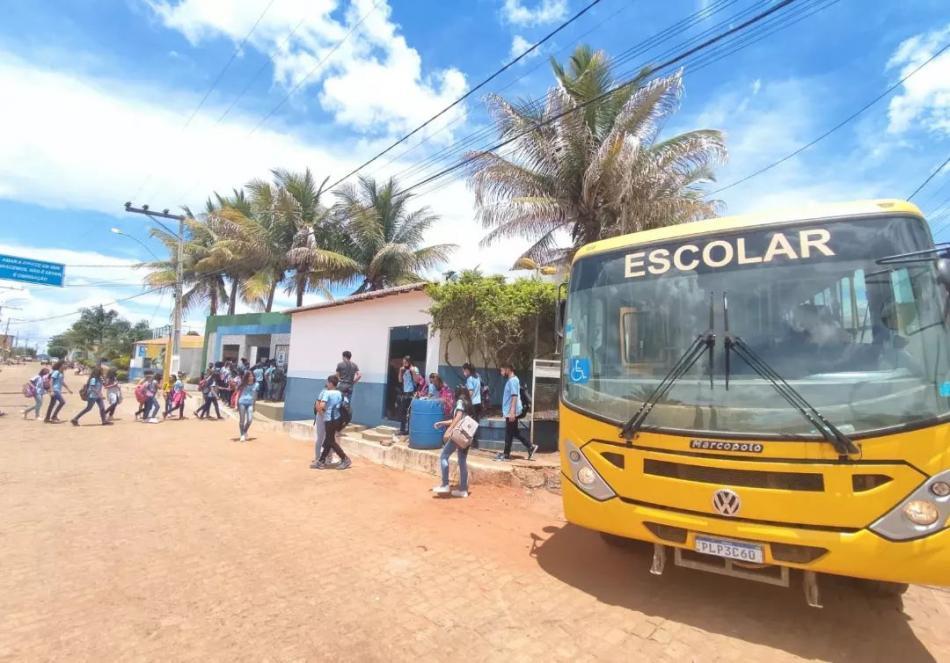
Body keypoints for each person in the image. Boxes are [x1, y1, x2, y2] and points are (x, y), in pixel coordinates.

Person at [432, 385, 474, 498]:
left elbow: (458, 417)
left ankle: (445, 484)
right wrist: (442, 423)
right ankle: (463, 490)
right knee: (462, 461)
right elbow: (458, 418)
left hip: (458, 435)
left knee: (444, 456)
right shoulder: (468, 403)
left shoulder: (460, 401)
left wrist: (449, 430)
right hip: (467, 436)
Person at [496, 363, 537, 461]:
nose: (501, 373)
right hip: (510, 411)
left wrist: (512, 412)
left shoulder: (513, 381)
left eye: (502, 370)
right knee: (513, 432)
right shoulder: (512, 380)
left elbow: (514, 396)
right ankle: (530, 447)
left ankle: (506, 454)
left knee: (509, 432)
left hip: (512, 411)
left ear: (508, 369)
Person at [313, 375, 351, 470]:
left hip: (329, 419)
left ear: (330, 383)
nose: (327, 384)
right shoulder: (339, 393)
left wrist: (325, 412)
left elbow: (321, 406)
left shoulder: (327, 393)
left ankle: (345, 458)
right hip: (337, 419)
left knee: (330, 441)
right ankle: (321, 460)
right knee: (328, 440)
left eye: (327, 382)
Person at [396, 356, 419, 436]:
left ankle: (409, 430)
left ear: (409, 362)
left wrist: (412, 372)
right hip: (405, 393)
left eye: (405, 362)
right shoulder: (403, 370)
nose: (404, 364)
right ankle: (402, 429)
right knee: (402, 412)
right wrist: (400, 371)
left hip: (412, 393)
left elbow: (417, 380)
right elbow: (399, 380)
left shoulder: (415, 369)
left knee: (410, 413)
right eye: (403, 362)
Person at [463, 363, 483, 447]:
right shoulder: (478, 377)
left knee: (470, 423)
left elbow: (470, 392)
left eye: (464, 370)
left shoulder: (470, 379)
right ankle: (475, 443)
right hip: (478, 402)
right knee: (475, 422)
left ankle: (469, 442)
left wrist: (465, 401)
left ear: (467, 370)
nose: (463, 372)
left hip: (473, 403)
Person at [236, 371, 257, 442]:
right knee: (242, 420)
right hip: (242, 402)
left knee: (250, 420)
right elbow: (237, 393)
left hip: (250, 403)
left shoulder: (256, 384)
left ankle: (244, 431)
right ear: (247, 377)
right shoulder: (243, 384)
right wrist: (236, 404)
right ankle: (242, 435)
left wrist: (254, 405)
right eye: (250, 376)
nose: (251, 377)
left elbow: (255, 395)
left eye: (252, 376)